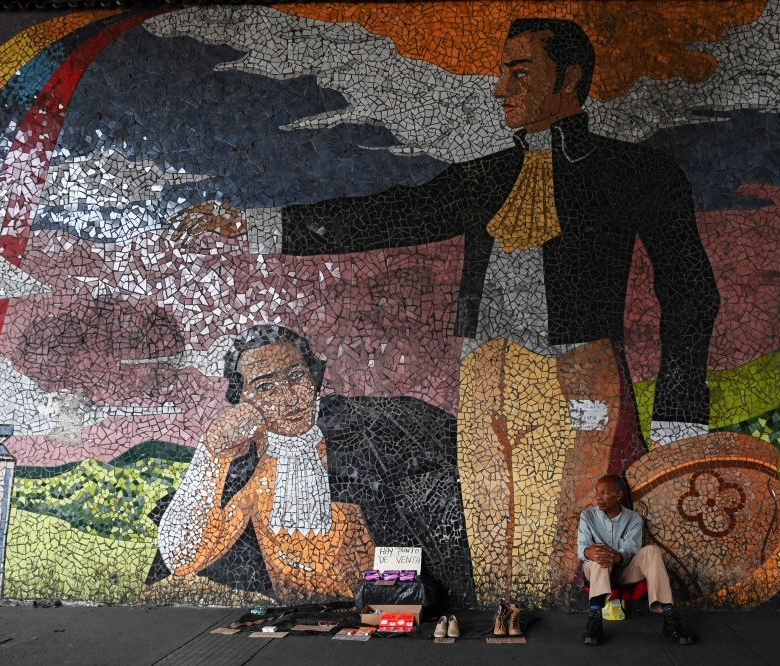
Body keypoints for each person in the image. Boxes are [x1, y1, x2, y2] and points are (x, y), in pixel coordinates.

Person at [177, 19, 719, 606]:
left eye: (519, 72)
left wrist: (679, 418)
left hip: (580, 375)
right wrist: (255, 224)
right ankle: (504, 623)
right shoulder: (484, 177)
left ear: (569, 78)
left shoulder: (637, 172)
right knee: (490, 534)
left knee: (572, 534)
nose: (500, 89)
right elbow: (390, 215)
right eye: (501, 72)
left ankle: (579, 625)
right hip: (485, 376)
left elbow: (690, 291)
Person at [156, 325, 473, 603]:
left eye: (296, 377)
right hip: (304, 618)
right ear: (243, 400)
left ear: (313, 377)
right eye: (266, 386)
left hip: (386, 603)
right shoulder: (247, 476)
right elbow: (183, 557)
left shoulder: (371, 434)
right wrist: (210, 455)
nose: (289, 398)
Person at [578, 474, 694, 645]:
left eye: (604, 492)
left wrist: (616, 556)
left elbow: (632, 548)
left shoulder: (633, 518)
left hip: (625, 571)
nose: (598, 496)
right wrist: (590, 552)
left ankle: (670, 618)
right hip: (596, 571)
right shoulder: (588, 516)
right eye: (597, 491)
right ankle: (594, 621)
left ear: (618, 495)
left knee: (651, 551)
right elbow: (582, 547)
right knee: (600, 555)